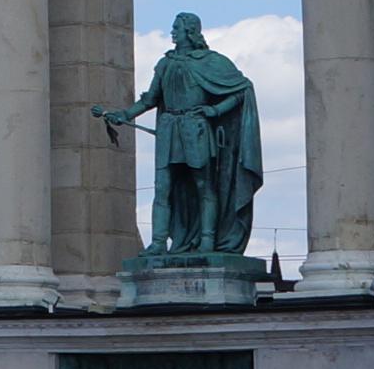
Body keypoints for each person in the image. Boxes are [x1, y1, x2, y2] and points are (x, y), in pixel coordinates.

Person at [96, 13, 262, 256]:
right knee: (162, 188)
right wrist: (124, 114)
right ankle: (159, 242)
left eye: (177, 28)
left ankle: (207, 240)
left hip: (196, 128)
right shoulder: (166, 63)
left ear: (190, 31)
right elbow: (150, 99)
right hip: (169, 128)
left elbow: (241, 90)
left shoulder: (212, 61)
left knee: (204, 185)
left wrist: (215, 110)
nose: (173, 31)